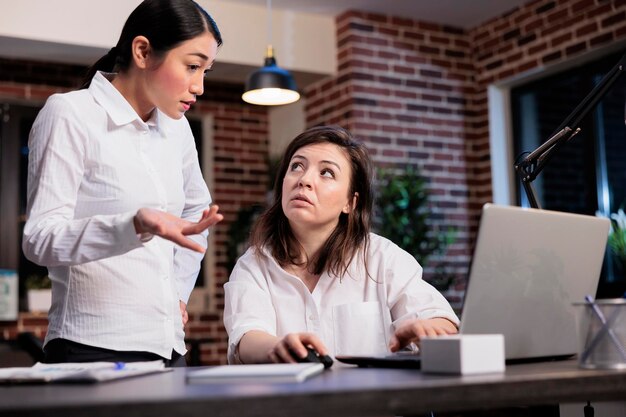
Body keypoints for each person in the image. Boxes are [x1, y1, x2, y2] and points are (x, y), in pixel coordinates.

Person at [22, 0, 224, 366]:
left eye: (206, 70)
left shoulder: (176, 129)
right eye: (193, 66)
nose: (200, 85)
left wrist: (178, 294)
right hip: (90, 348)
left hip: (169, 347)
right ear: (143, 51)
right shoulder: (71, 114)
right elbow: (39, 238)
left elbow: (196, 213)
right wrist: (133, 224)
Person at [223, 126, 459, 364]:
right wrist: (278, 347)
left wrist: (427, 329)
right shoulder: (254, 264)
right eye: (296, 166)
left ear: (350, 202)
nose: (304, 180)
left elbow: (440, 319)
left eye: (326, 172)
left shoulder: (382, 258)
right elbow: (246, 338)